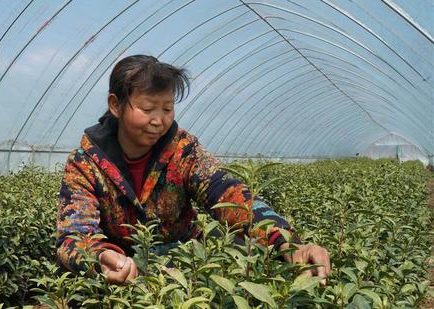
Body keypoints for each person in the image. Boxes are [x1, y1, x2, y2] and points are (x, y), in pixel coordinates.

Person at [56, 55, 330, 285]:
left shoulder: (183, 150)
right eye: (147, 108)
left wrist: (286, 242)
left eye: (167, 108)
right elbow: (74, 235)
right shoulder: (85, 164)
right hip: (123, 270)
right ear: (116, 105)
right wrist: (101, 257)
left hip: (185, 265)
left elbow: (230, 195)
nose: (159, 120)